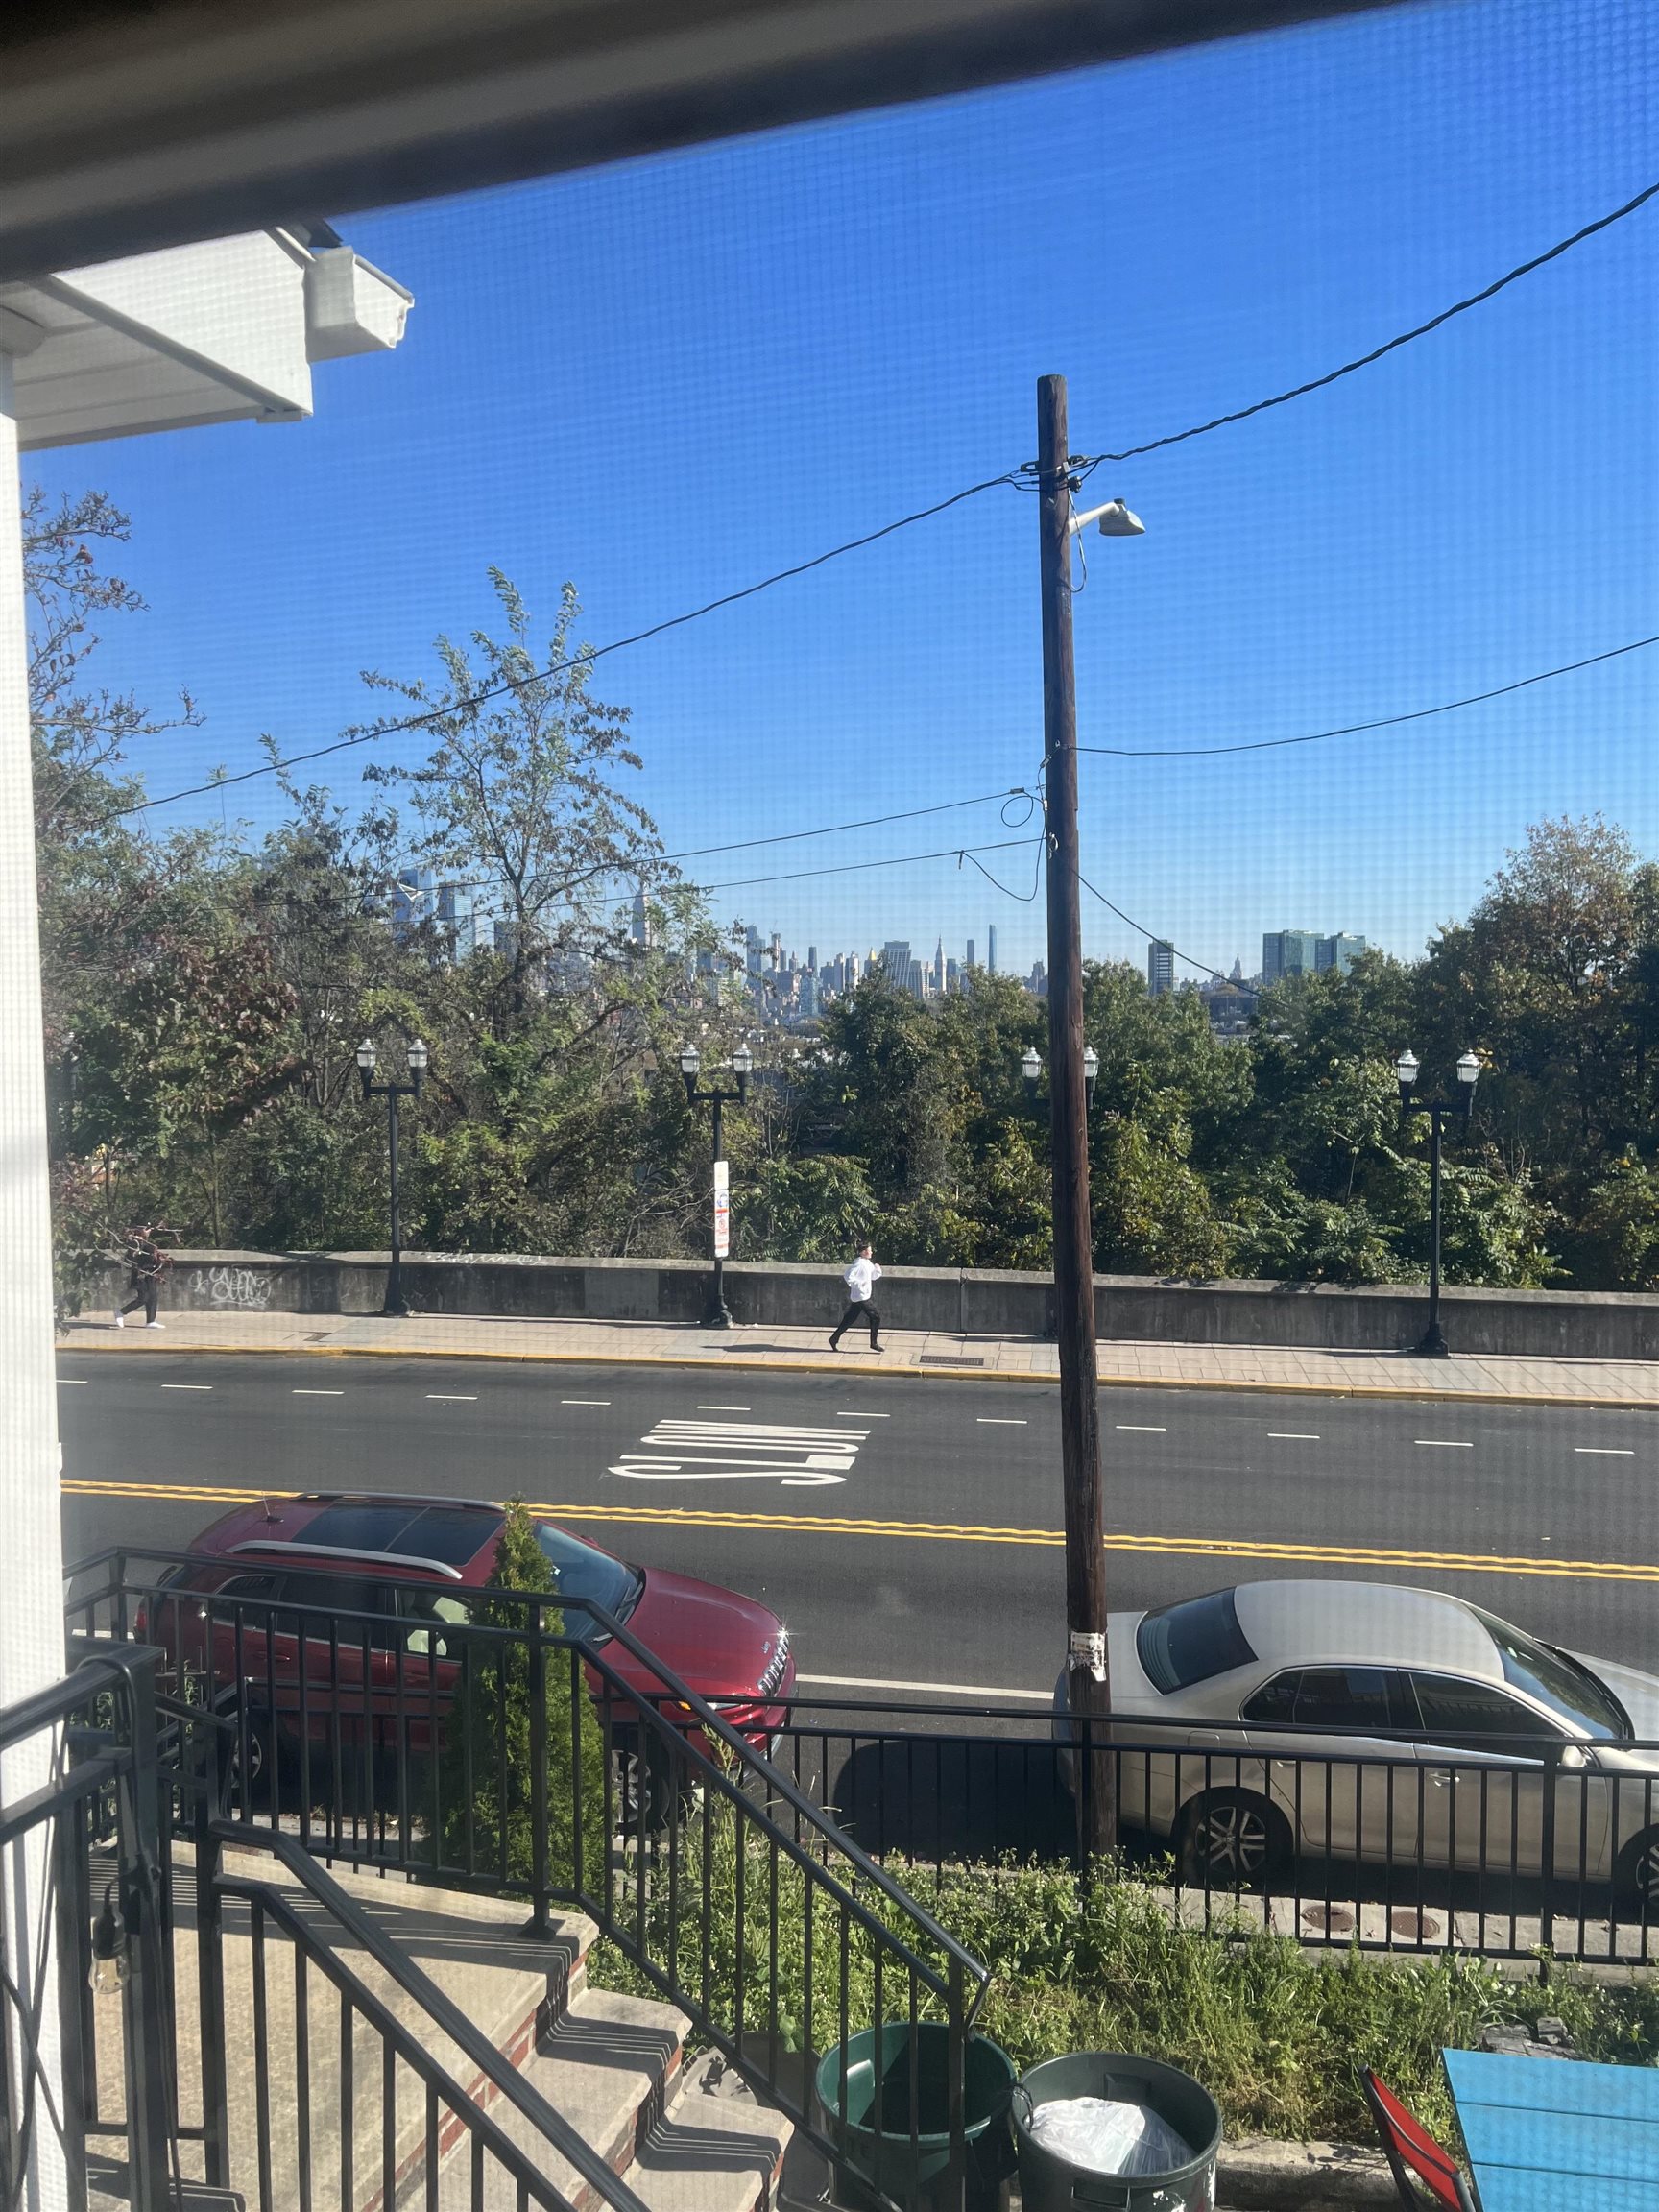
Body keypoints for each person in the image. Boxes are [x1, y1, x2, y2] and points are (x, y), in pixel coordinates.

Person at [114, 1222, 172, 1330]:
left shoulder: (145, 1242)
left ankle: (151, 1321)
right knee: (144, 1297)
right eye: (147, 1229)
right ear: (140, 1230)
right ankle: (121, 1312)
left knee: (153, 1297)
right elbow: (131, 1258)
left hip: (150, 1273)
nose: (149, 1232)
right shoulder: (135, 1243)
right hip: (140, 1274)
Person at [830, 1241, 882, 1353]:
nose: (871, 1252)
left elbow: (872, 1276)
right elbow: (848, 1276)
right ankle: (873, 1343)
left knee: (849, 1319)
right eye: (869, 1250)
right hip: (861, 1296)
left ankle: (834, 1339)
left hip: (861, 1296)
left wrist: (877, 1270)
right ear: (864, 1252)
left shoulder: (867, 1263)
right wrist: (859, 1284)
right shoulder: (859, 1264)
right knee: (875, 1317)